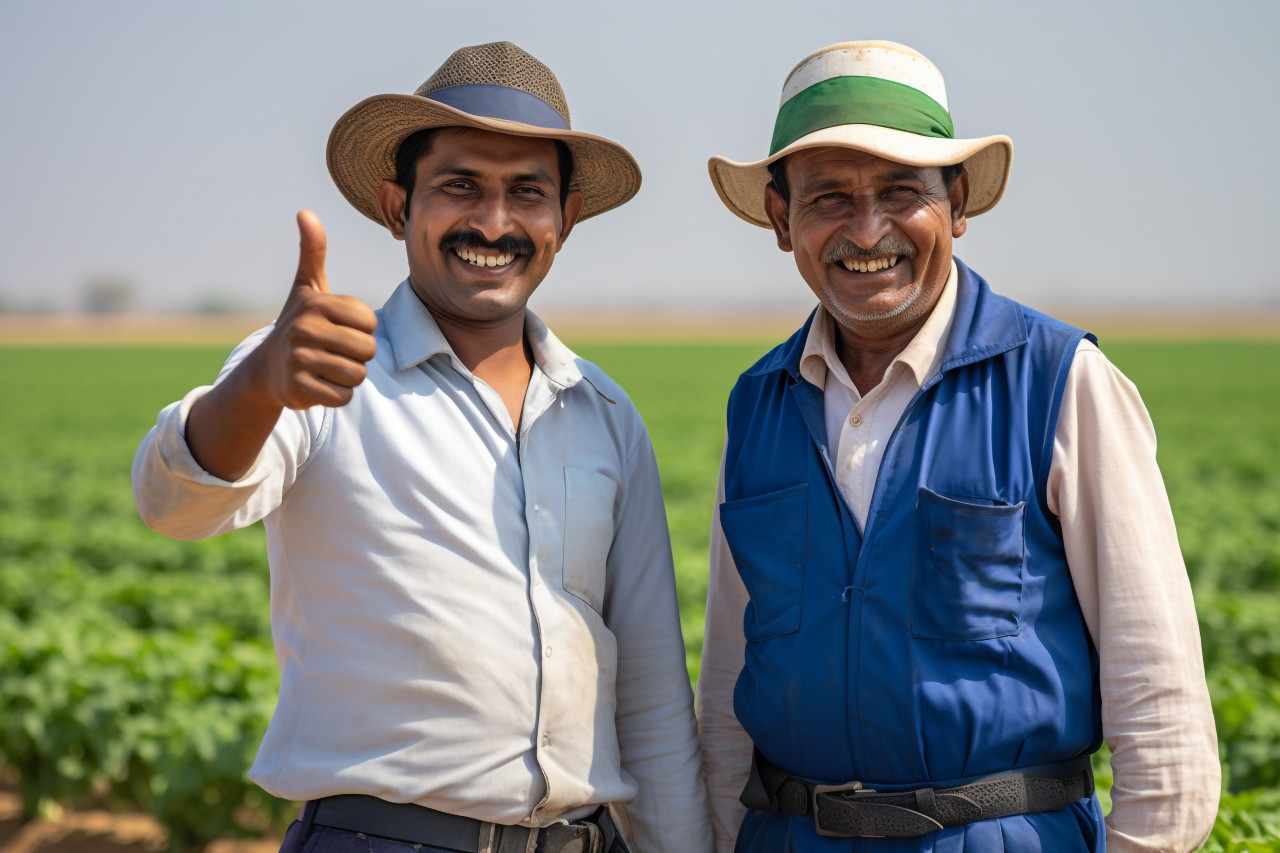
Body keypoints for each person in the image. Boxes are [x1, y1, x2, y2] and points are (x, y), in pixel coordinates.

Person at [133, 41, 711, 853]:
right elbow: (175, 502)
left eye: (528, 194)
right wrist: (261, 381)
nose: (494, 222)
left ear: (565, 220)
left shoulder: (605, 414)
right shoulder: (319, 371)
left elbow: (649, 697)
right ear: (396, 206)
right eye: (460, 186)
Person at [695, 40, 1218, 852]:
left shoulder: (1061, 381)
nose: (867, 230)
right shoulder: (759, 402)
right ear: (779, 217)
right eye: (828, 197)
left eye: (902, 192)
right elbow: (729, 677)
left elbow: (1159, 694)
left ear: (958, 202)